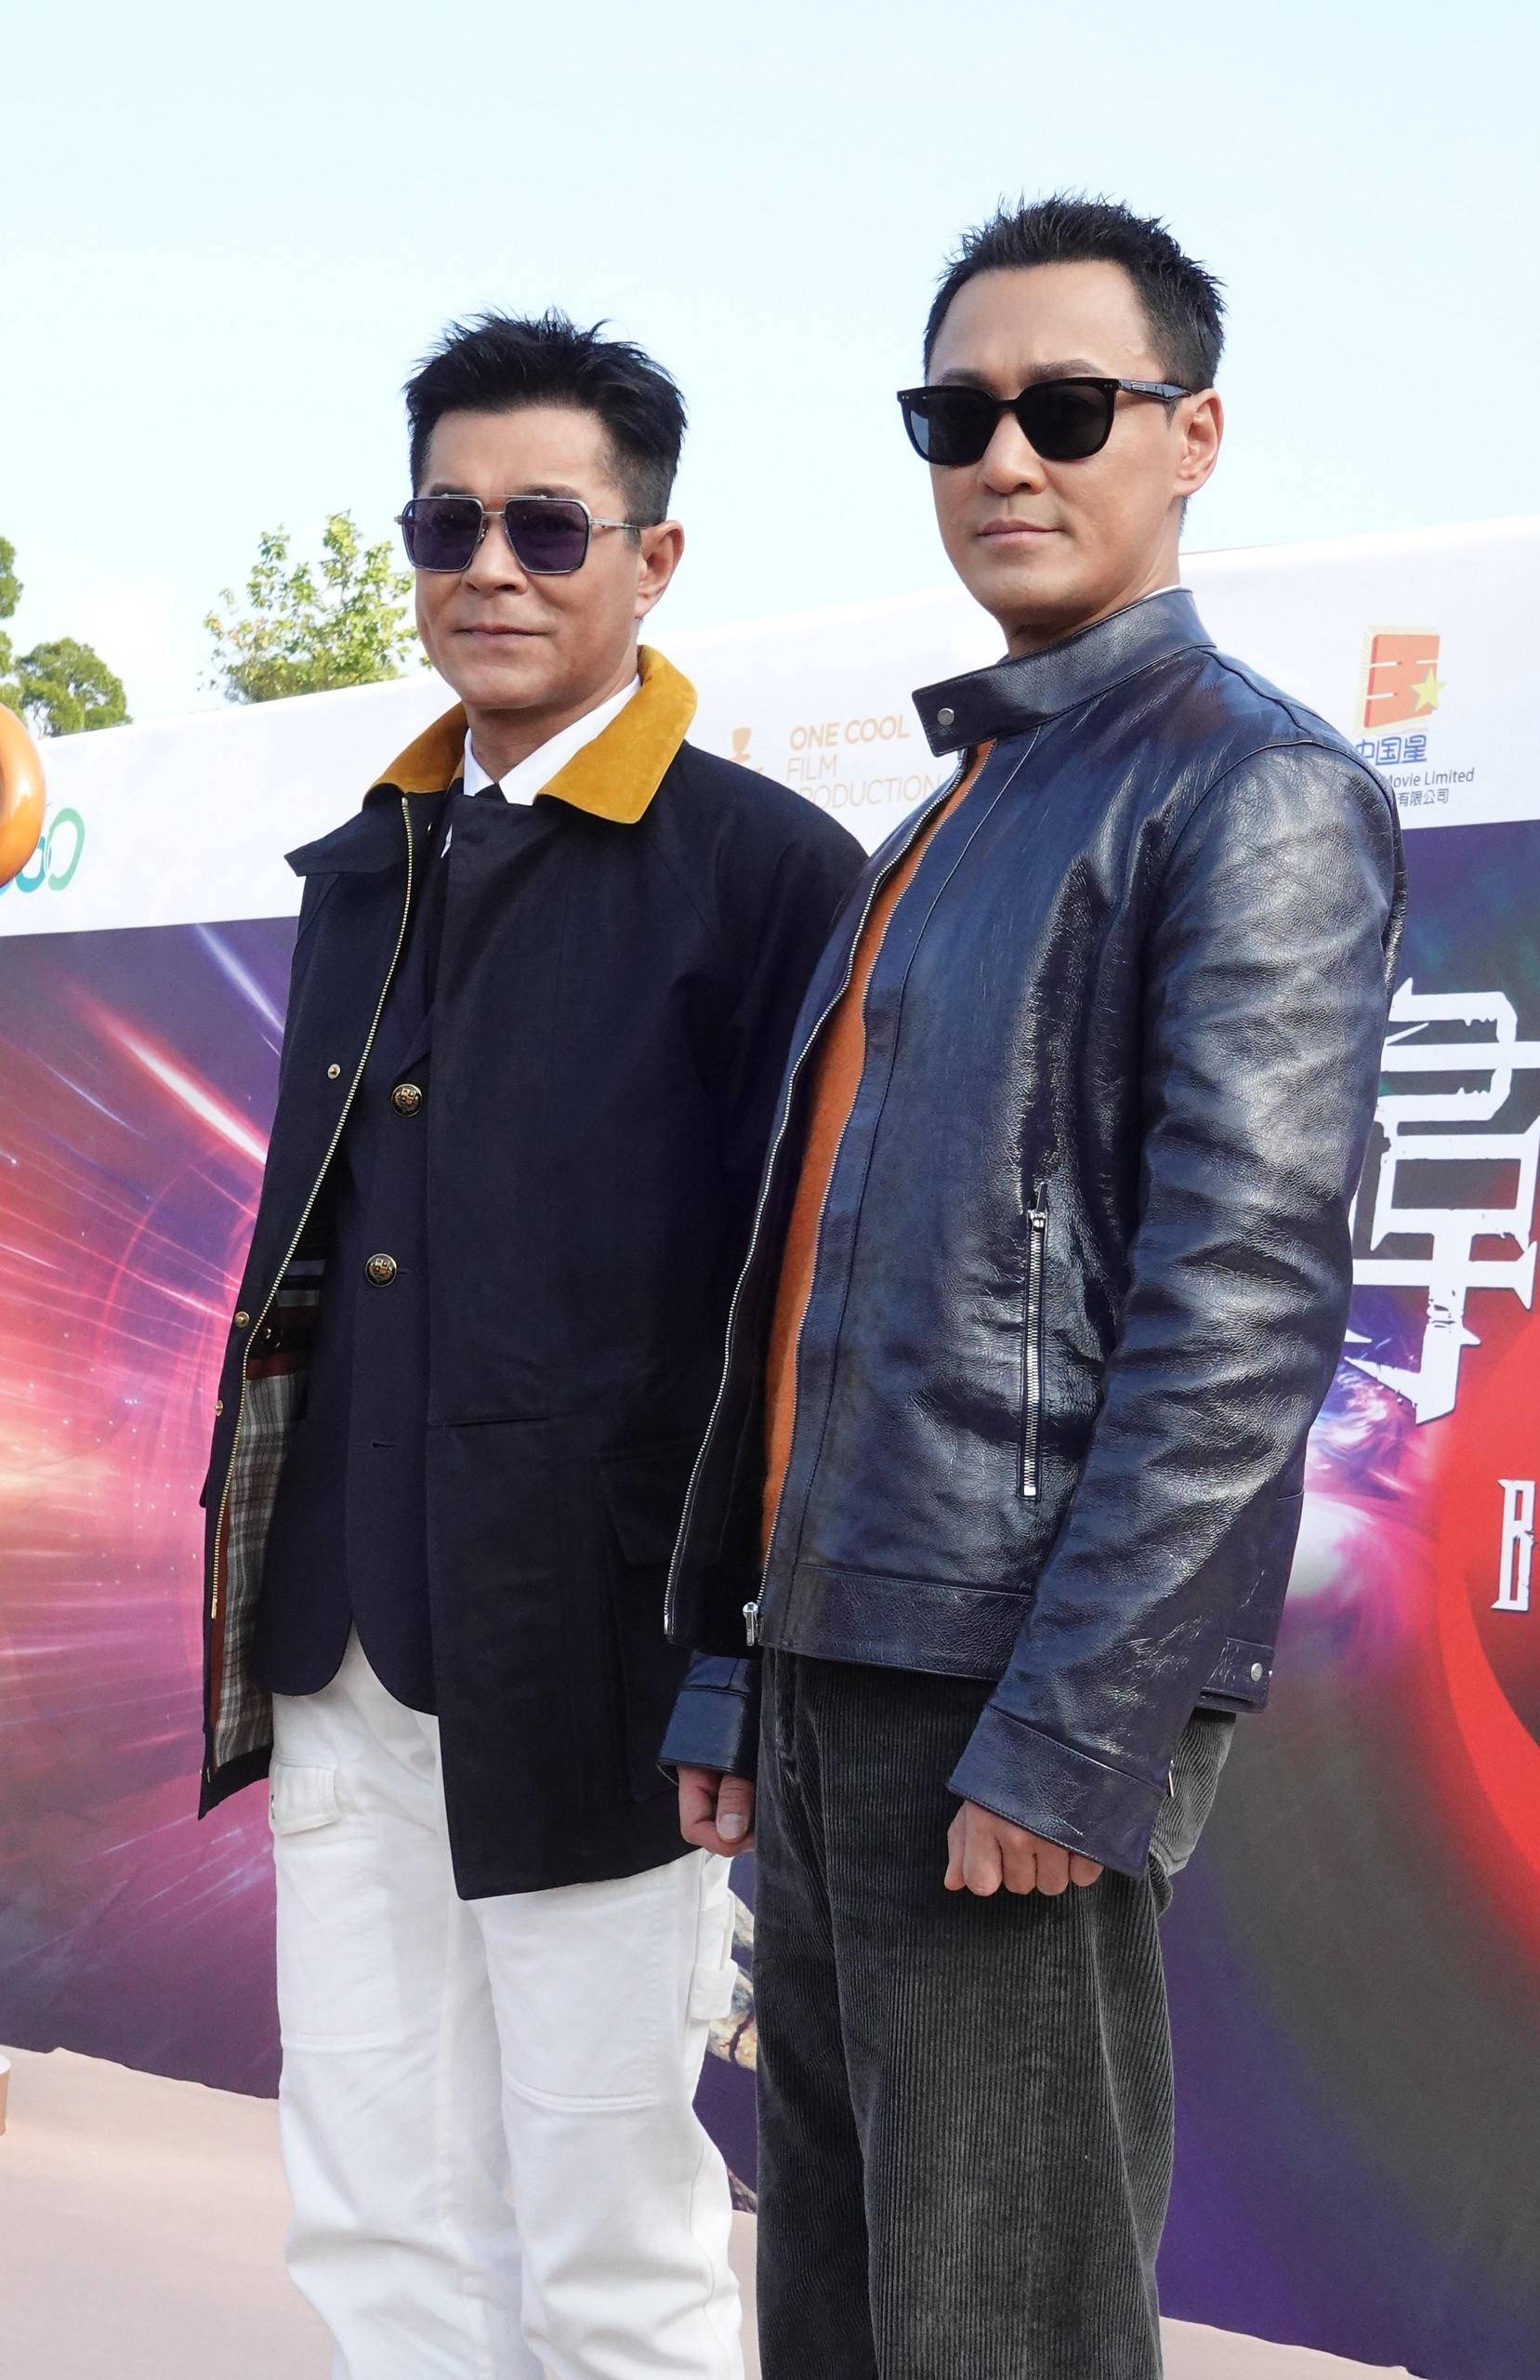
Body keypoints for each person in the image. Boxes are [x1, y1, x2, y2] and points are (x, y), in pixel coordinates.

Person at [664, 197, 1405, 2377]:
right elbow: (812, 1295)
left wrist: (1077, 1726)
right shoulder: (947, 812)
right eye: (954, 413)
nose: (1003, 453)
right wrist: (732, 1664)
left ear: (1190, 435)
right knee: (834, 2307)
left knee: (1000, 2327)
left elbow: (1235, 1313)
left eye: (1064, 407)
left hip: (1007, 1694)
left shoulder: (1251, 785)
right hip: (838, 1664)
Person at [195, 311, 864, 2380]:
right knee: (373, 2203)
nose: (490, 566)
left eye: (548, 527)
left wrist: (737, 1653)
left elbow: (806, 1313)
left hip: (604, 1667)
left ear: (652, 560)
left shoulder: (770, 875)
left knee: (606, 2231)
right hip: (340, 1647)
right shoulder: (363, 866)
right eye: (447, 522)